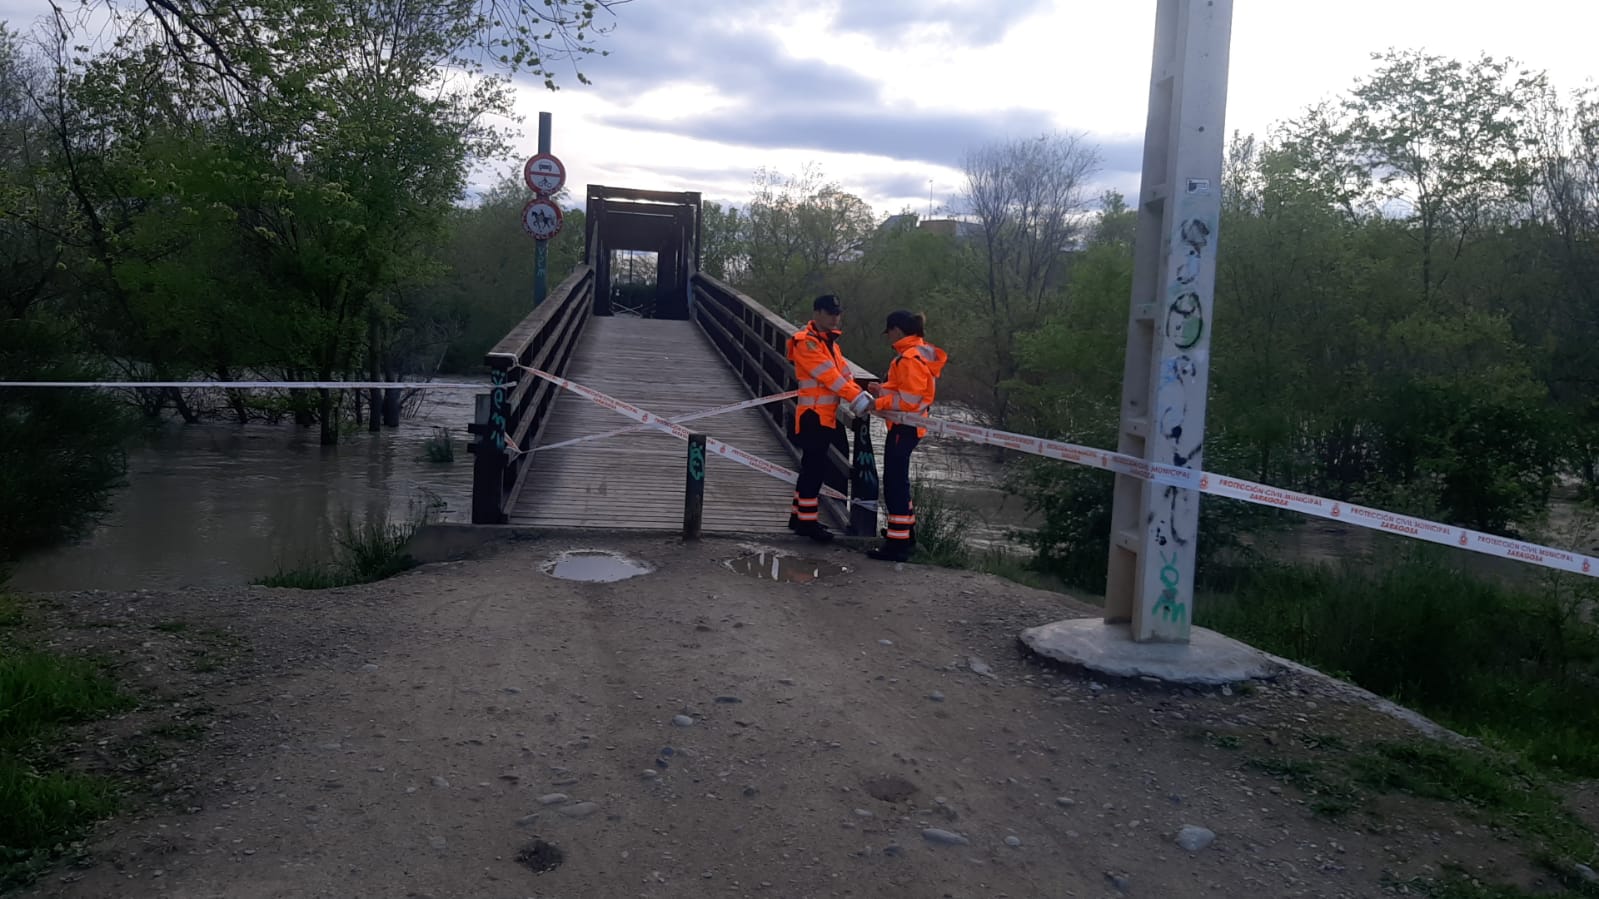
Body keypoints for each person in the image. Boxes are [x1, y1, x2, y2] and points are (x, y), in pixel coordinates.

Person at [785, 293, 870, 542]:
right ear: (817, 313)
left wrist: (864, 392)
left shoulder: (829, 343)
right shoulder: (807, 343)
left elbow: (844, 374)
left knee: (812, 467)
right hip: (813, 415)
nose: (835, 318)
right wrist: (859, 399)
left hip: (824, 415)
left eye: (837, 313)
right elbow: (831, 378)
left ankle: (798, 516)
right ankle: (807, 523)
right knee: (814, 469)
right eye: (830, 313)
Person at [865, 310, 947, 562]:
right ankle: (905, 534)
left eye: (889, 332)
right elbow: (908, 390)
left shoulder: (908, 359)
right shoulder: (916, 355)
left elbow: (909, 401)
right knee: (899, 482)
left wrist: (878, 403)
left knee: (894, 485)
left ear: (897, 330)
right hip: (909, 427)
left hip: (905, 427)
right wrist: (882, 389)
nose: (888, 337)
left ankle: (897, 545)